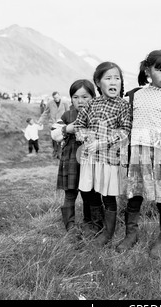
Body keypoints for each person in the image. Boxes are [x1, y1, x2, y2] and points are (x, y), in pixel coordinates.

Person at [116, 50, 161, 259]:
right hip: (137, 155)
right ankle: (131, 234)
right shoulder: (133, 96)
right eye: (160, 69)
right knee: (134, 196)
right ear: (147, 70)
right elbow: (125, 125)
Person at [74, 62, 132, 247]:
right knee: (90, 191)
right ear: (98, 83)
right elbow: (78, 125)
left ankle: (107, 233)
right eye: (108, 78)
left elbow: (125, 131)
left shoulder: (123, 106)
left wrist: (102, 142)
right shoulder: (92, 104)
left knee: (108, 196)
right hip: (90, 159)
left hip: (109, 160)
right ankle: (96, 226)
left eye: (117, 78)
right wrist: (86, 137)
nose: (114, 81)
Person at [56, 79, 104, 236]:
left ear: (93, 97)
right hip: (71, 161)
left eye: (85, 97)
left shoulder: (98, 115)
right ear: (71, 99)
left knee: (90, 193)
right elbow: (54, 134)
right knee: (70, 194)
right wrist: (66, 129)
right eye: (75, 97)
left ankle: (93, 223)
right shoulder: (67, 115)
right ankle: (70, 226)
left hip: (90, 160)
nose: (80, 101)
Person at [39, 91, 70, 159]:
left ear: (59, 96)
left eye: (57, 97)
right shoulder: (50, 103)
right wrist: (41, 120)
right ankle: (55, 151)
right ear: (53, 98)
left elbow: (68, 112)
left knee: (61, 138)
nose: (56, 99)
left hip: (62, 123)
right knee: (54, 138)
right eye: (54, 98)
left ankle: (59, 153)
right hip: (53, 123)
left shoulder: (65, 102)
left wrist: (69, 122)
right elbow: (45, 112)